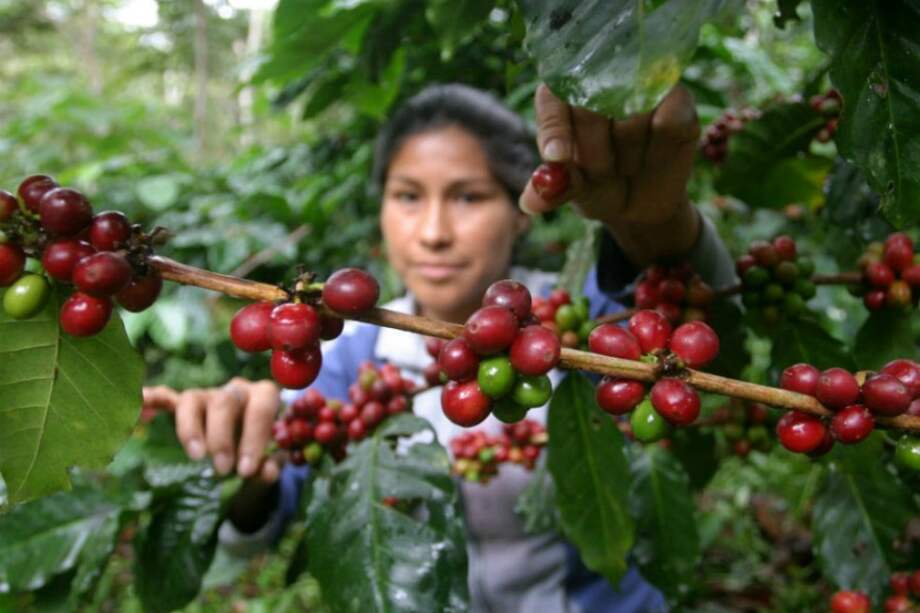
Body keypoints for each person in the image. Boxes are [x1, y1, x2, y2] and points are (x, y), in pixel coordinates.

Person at [143, 82, 735, 612]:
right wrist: (248, 460)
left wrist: (654, 225)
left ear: (521, 212)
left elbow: (701, 330)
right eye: (407, 196)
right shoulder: (349, 353)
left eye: (468, 197)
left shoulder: (575, 329)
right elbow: (254, 529)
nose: (432, 232)